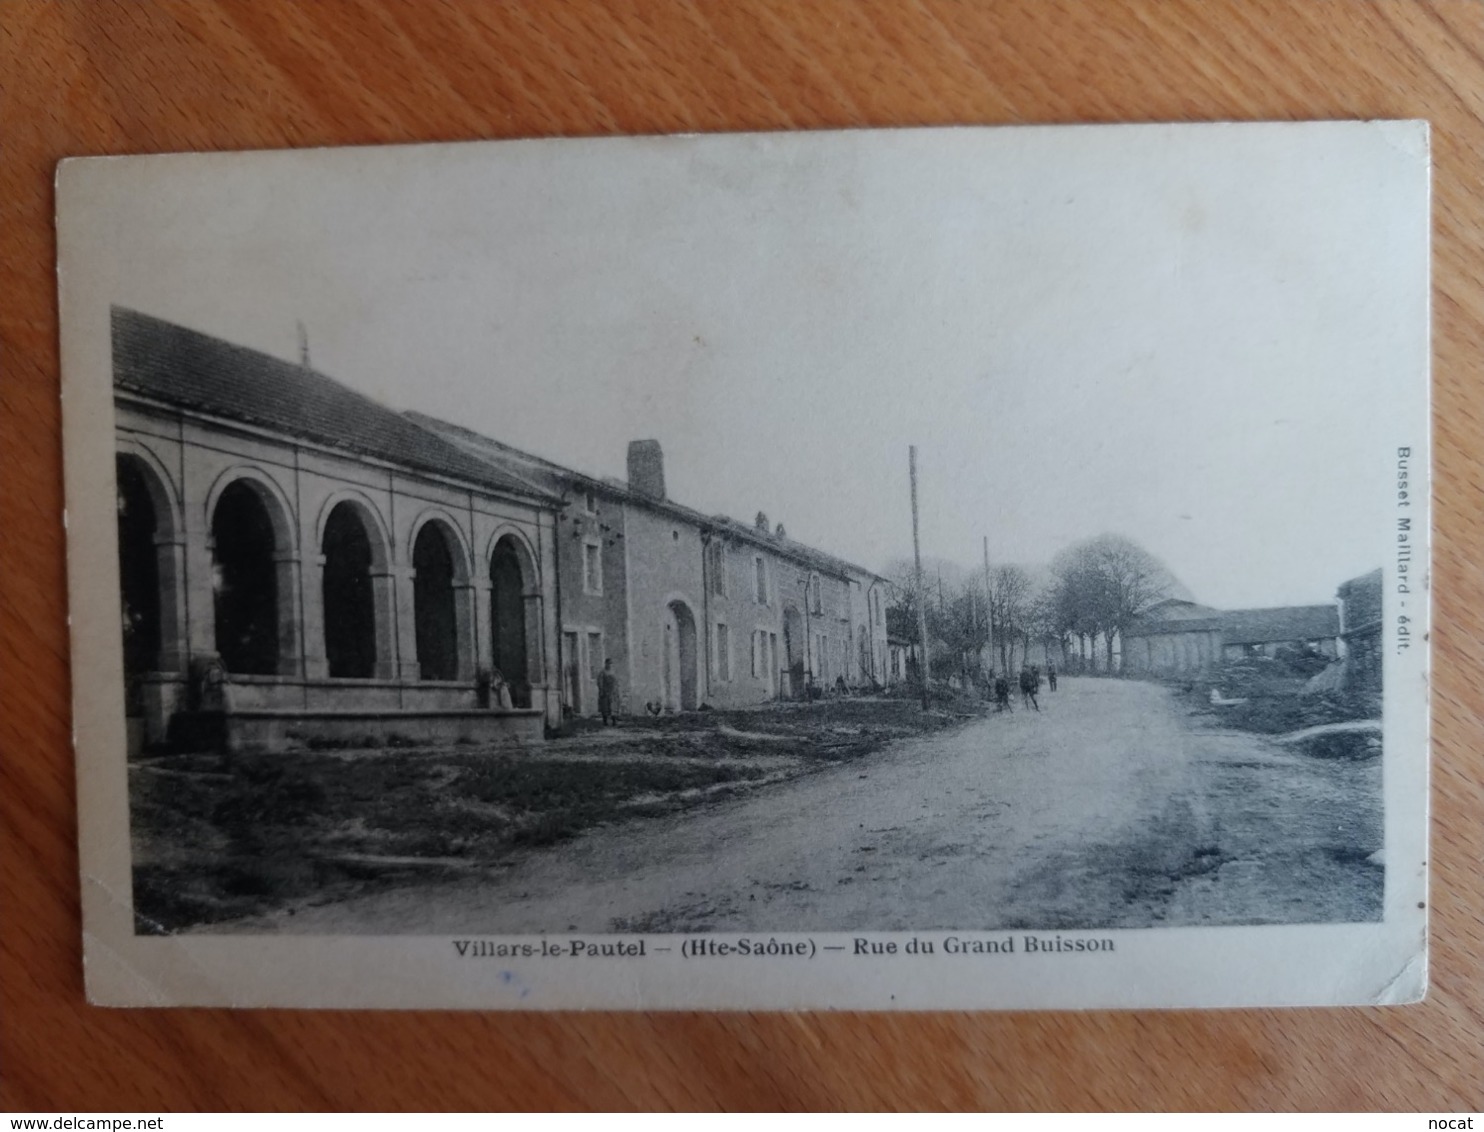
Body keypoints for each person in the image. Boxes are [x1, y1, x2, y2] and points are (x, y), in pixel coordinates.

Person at [597, 658, 618, 726]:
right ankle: (605, 721)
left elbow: (616, 682)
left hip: (613, 692)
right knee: (605, 707)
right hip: (605, 692)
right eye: (608, 663)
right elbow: (600, 682)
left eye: (611, 663)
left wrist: (616, 690)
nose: (610, 665)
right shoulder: (602, 672)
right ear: (605, 664)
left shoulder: (613, 672)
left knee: (613, 706)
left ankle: (614, 721)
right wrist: (601, 690)